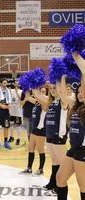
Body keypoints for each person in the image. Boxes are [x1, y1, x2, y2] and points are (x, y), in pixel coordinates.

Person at [56, 54, 85, 200]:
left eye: (82, 91)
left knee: (83, 188)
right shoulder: (75, 105)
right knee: (60, 179)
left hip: (83, 151)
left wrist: (76, 55)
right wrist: (62, 75)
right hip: (73, 149)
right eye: (78, 91)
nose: (80, 94)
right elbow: (61, 94)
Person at [20, 86, 47, 176]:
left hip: (41, 130)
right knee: (30, 149)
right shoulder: (36, 103)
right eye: (41, 92)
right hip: (34, 129)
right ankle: (29, 168)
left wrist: (35, 92)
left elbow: (36, 96)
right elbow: (28, 98)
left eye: (44, 92)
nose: (42, 94)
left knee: (40, 150)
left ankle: (40, 169)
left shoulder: (45, 104)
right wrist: (27, 89)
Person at [0, 79, 12, 150]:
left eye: (6, 83)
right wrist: (0, 105)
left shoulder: (8, 90)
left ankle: (5, 142)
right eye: (4, 83)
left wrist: (9, 105)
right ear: (1, 83)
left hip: (6, 110)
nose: (5, 85)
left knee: (6, 126)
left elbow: (10, 101)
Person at [9, 80, 23, 145]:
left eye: (18, 83)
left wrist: (17, 92)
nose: (16, 84)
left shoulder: (21, 91)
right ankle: (11, 137)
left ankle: (18, 138)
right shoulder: (10, 91)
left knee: (18, 126)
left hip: (18, 112)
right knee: (11, 125)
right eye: (15, 83)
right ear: (14, 84)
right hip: (11, 111)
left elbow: (21, 100)